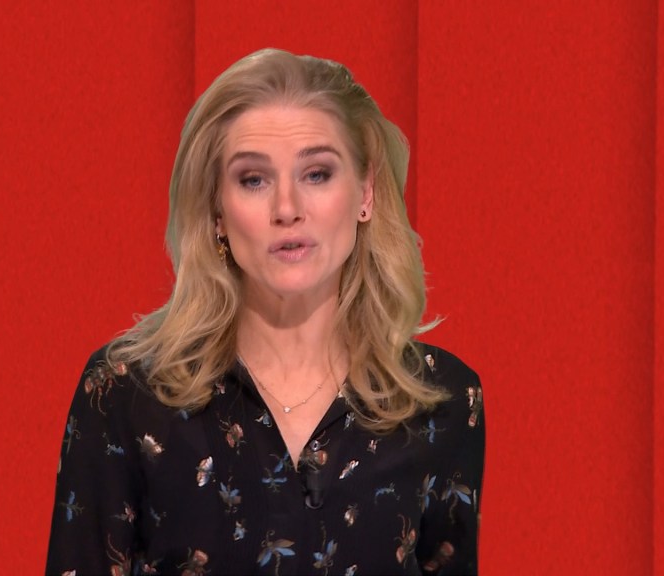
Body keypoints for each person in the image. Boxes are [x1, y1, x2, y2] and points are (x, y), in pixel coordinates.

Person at [46, 48, 485, 576]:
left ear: (366, 191)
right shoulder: (124, 395)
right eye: (253, 179)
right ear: (216, 210)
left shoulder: (443, 401)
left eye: (317, 174)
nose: (287, 208)